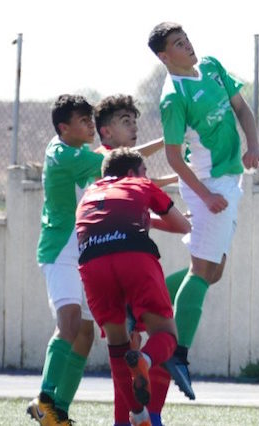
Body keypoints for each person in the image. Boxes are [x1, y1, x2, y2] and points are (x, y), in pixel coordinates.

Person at [147, 22, 259, 400]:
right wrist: (206, 195)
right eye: (178, 44)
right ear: (165, 56)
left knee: (213, 272)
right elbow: (172, 156)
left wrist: (253, 145)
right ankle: (177, 353)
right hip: (208, 184)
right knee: (202, 270)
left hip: (228, 181)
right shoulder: (173, 97)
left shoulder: (211, 66)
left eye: (186, 40)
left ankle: (143, 305)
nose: (188, 46)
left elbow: (242, 108)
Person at [75, 148, 190, 426]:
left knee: (117, 344)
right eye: (144, 171)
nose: (147, 177)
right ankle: (145, 360)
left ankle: (137, 416)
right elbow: (182, 226)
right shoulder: (140, 185)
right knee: (166, 334)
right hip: (134, 256)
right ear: (131, 173)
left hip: (92, 261)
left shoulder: (89, 194)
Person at [92, 94, 179, 426]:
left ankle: (133, 418)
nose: (133, 126)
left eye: (135, 120)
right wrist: (171, 141)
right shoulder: (102, 159)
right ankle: (130, 418)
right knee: (128, 345)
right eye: (125, 121)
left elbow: (142, 188)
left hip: (103, 260)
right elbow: (141, 180)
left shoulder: (123, 171)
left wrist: (177, 177)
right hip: (104, 260)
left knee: (128, 346)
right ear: (106, 131)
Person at [27, 95, 104, 426]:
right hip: (60, 250)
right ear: (64, 128)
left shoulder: (79, 153)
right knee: (69, 322)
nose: (91, 126)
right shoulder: (62, 153)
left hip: (83, 252)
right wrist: (168, 144)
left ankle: (58, 412)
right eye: (83, 121)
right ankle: (43, 399)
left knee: (85, 334)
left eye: (91, 119)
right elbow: (117, 160)